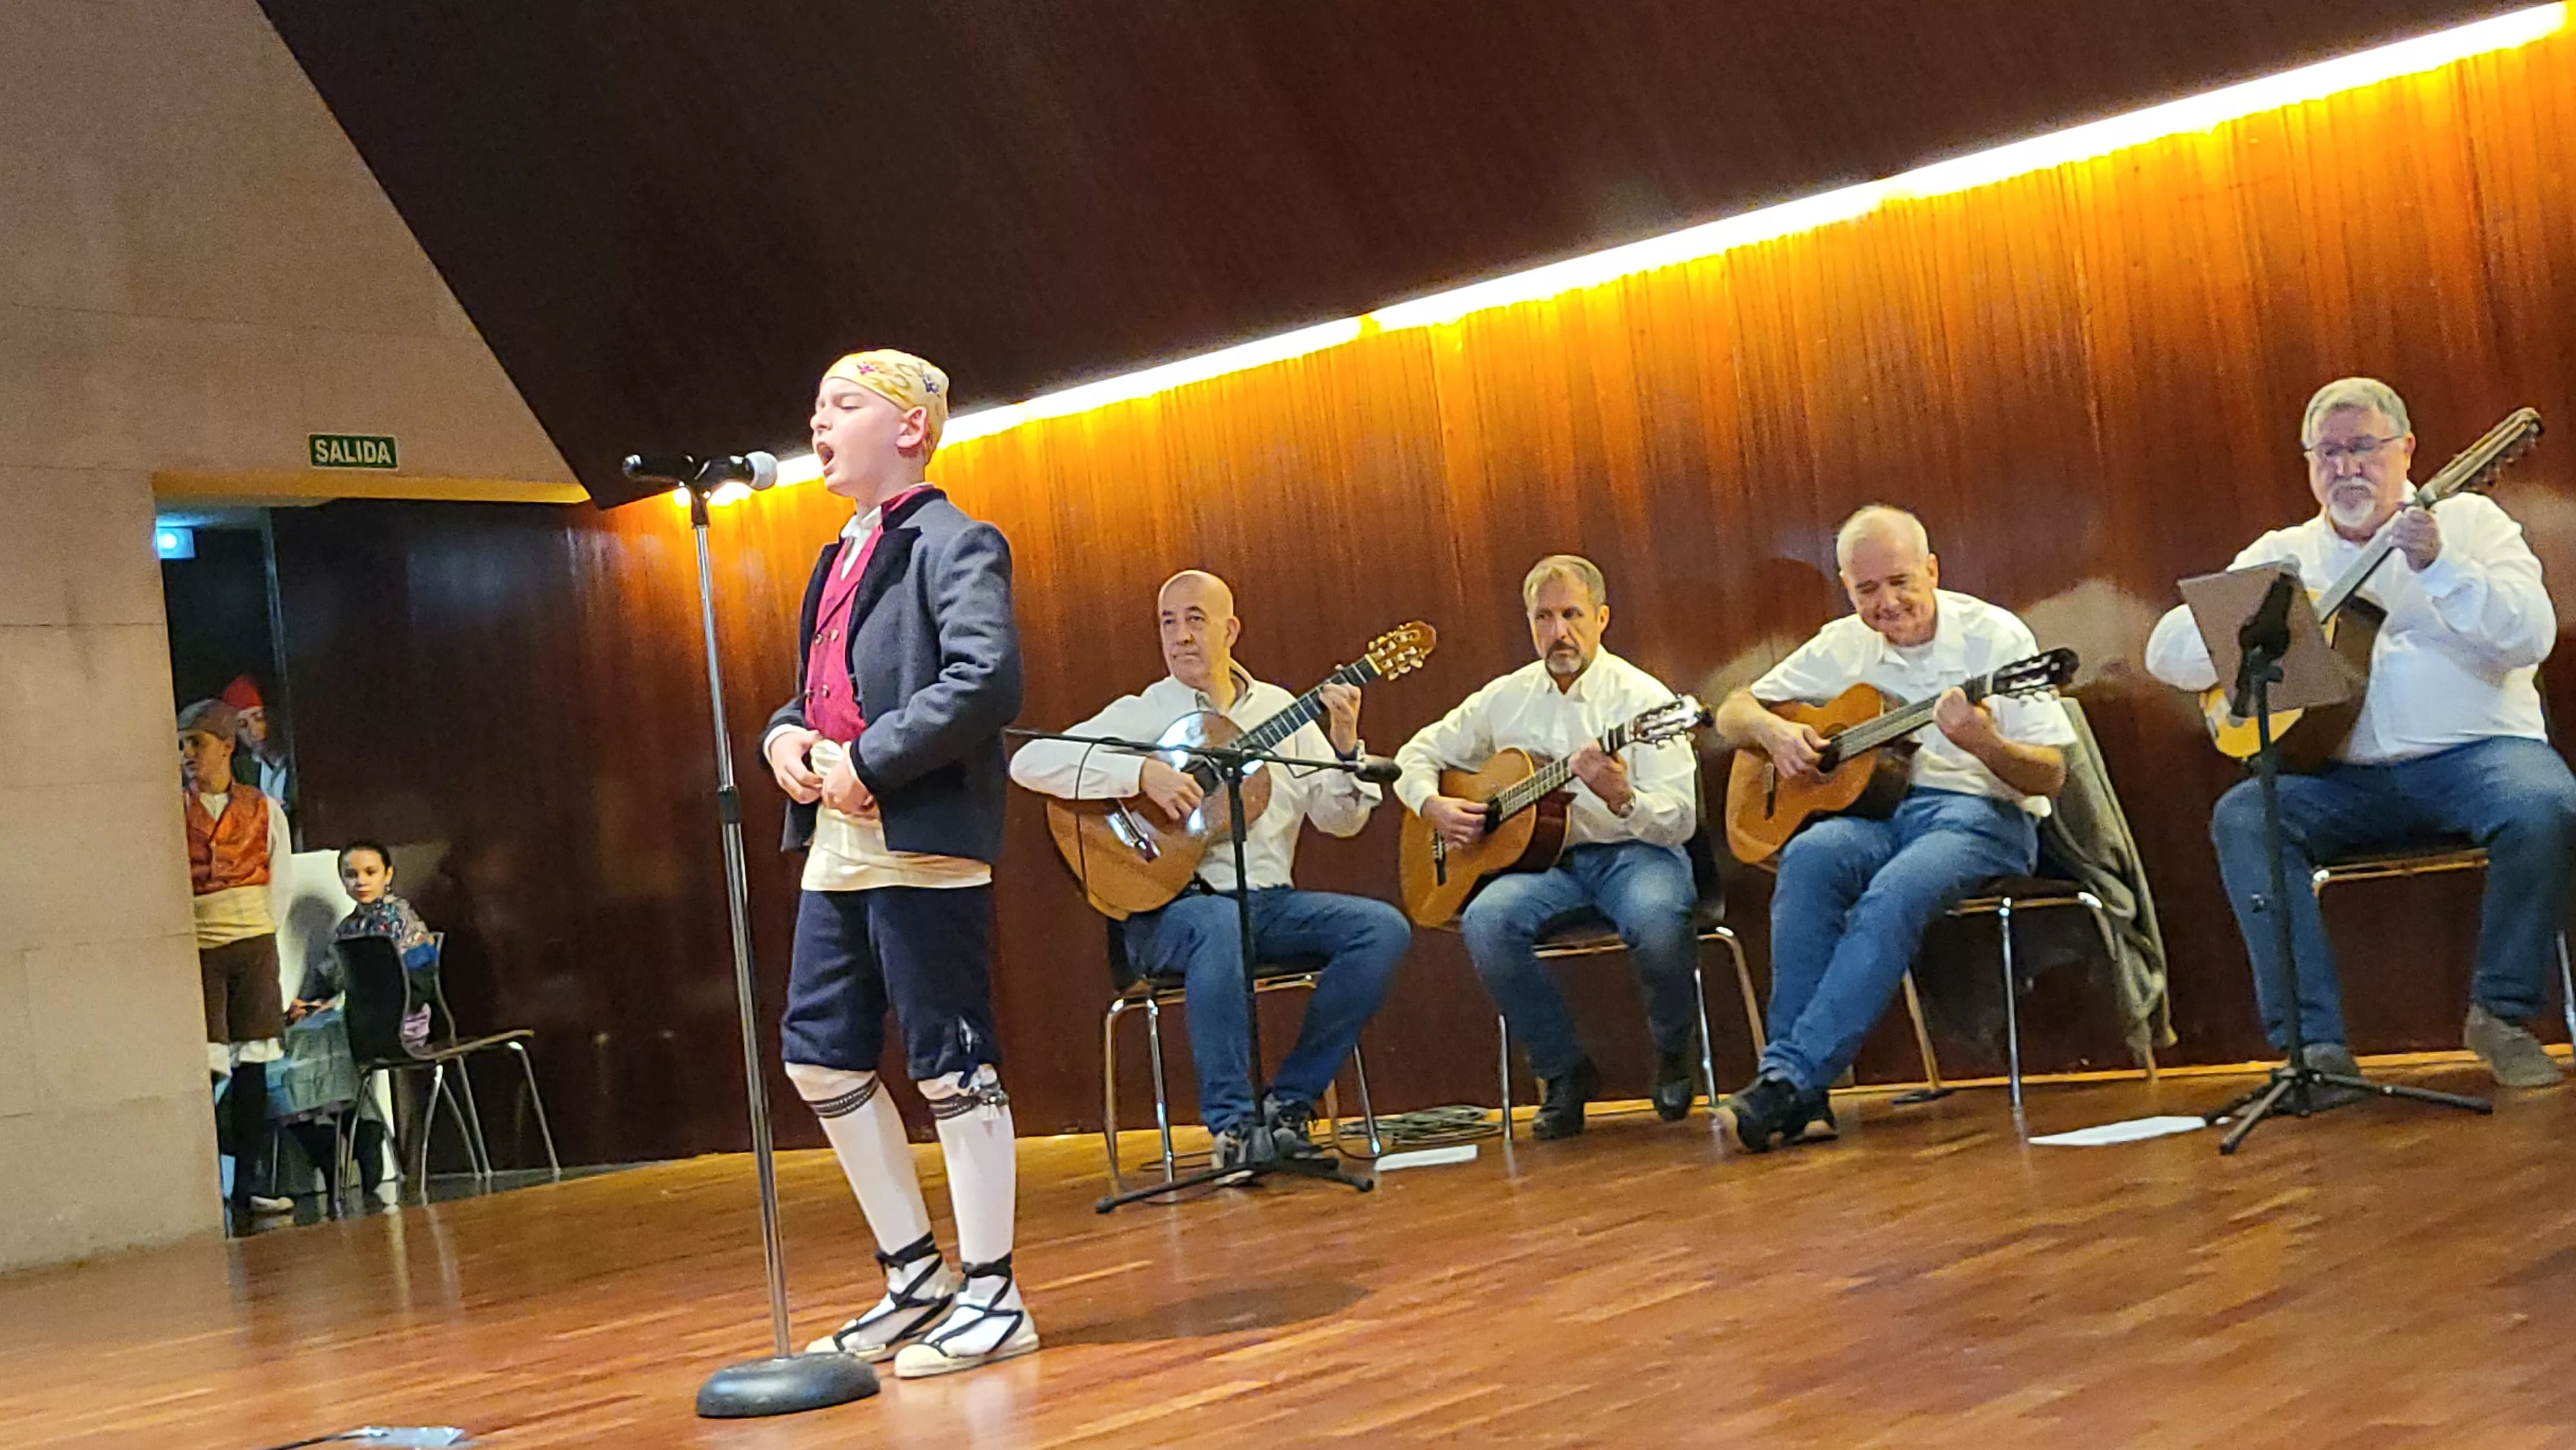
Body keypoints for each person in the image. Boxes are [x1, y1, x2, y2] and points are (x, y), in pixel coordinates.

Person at [2143, 377, 2576, 1089]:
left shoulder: (2471, 523)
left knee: (2544, 804)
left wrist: (2440, 565)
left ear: (2405, 450)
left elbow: (2527, 635)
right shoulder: (2285, 552)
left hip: (2477, 759)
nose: (2346, 467)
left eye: (2363, 448)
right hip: (2342, 777)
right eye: (2328, 452)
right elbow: (2165, 651)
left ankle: (2500, 1013)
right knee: (2245, 815)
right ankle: (2312, 1050)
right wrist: (2273, 623)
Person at [758, 348, 1032, 1378]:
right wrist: (783, 739)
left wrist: (872, 760)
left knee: (950, 1062)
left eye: (841, 405)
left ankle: (994, 1292)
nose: (818, 425)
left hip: (920, 842)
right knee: (819, 1054)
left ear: (911, 427)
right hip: (838, 848)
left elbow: (985, 678)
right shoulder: (836, 558)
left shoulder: (956, 543)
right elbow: (817, 690)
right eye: (817, 407)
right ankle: (915, 1278)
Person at [1009, 570, 1410, 1170]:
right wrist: (1139, 775)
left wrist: (1346, 744)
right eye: (1168, 623)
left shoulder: (1282, 711)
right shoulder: (1146, 712)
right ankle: (1232, 1130)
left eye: (1195, 619)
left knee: (1381, 929)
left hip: (1269, 903)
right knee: (1218, 924)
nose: (1180, 636)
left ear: (1231, 629)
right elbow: (1031, 761)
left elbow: (1340, 821)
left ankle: (1289, 1106)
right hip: (1170, 911)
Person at [1714, 507, 2073, 1151]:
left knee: (1895, 890)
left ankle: (1788, 1079)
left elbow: (2048, 776)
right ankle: (1803, 1093)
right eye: (1866, 590)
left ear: (1933, 569)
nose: (1886, 603)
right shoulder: (1840, 643)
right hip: (1882, 816)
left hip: (1981, 816)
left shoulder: (1995, 638)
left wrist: (1986, 742)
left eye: (1901, 581)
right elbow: (1732, 709)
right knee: (1809, 857)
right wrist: (1772, 730)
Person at [1396, 555, 1702, 1139]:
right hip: (1546, 865)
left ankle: (1672, 1053)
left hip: (1634, 853)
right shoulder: (1506, 697)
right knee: (1486, 920)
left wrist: (1622, 796)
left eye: (1572, 615)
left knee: (1657, 917)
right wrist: (1431, 805)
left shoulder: (1642, 700)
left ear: (1602, 618)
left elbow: (1681, 820)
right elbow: (1417, 751)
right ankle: (1565, 1072)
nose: (1558, 632)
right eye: (1544, 617)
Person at [178, 698, 295, 1224]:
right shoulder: (174, 811)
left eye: (196, 743)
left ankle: (251, 1181)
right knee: (204, 1065)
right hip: (202, 950)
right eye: (182, 745)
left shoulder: (263, 808)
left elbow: (281, 874)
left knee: (254, 1065)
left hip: (252, 945)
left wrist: (263, 930)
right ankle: (198, 1184)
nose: (187, 755)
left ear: (226, 746)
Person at [222, 675, 294, 815]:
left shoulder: (298, 757)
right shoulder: (242, 769)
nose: (254, 732)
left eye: (259, 718)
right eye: (242, 725)